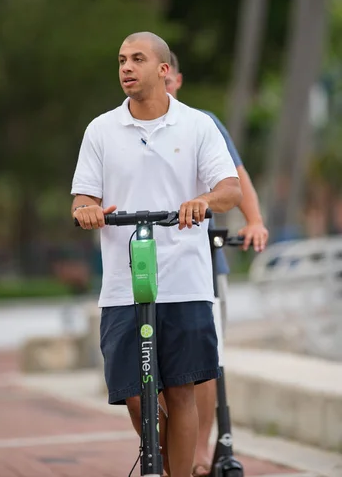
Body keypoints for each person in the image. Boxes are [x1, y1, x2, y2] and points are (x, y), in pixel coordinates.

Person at [71, 31, 242, 477]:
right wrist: (88, 212)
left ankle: (175, 473)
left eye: (138, 59)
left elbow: (230, 189)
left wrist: (202, 201)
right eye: (122, 59)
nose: (126, 67)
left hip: (184, 278)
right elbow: (81, 200)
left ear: (163, 70)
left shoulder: (197, 125)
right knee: (133, 392)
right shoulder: (101, 129)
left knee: (182, 391)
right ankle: (166, 466)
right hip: (123, 285)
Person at [165, 51, 269, 477]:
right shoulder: (125, 127)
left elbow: (236, 178)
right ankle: (168, 453)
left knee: (202, 364)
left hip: (200, 258)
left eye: (169, 79)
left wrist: (255, 221)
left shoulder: (201, 122)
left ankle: (201, 452)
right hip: (152, 261)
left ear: (175, 79)